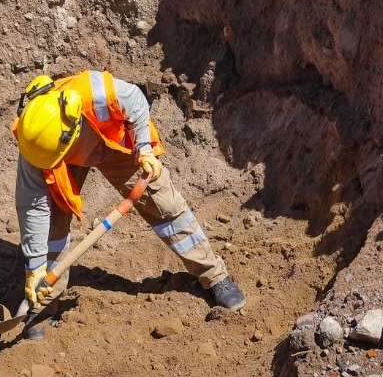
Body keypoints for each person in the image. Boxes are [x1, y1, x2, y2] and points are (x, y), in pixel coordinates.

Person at [12, 69, 244, 338]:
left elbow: (135, 99)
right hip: (63, 160)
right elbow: (32, 207)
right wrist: (35, 267)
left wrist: (143, 148)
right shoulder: (34, 145)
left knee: (164, 204)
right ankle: (43, 306)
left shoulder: (94, 93)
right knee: (51, 225)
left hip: (113, 142)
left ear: (73, 131)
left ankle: (214, 276)